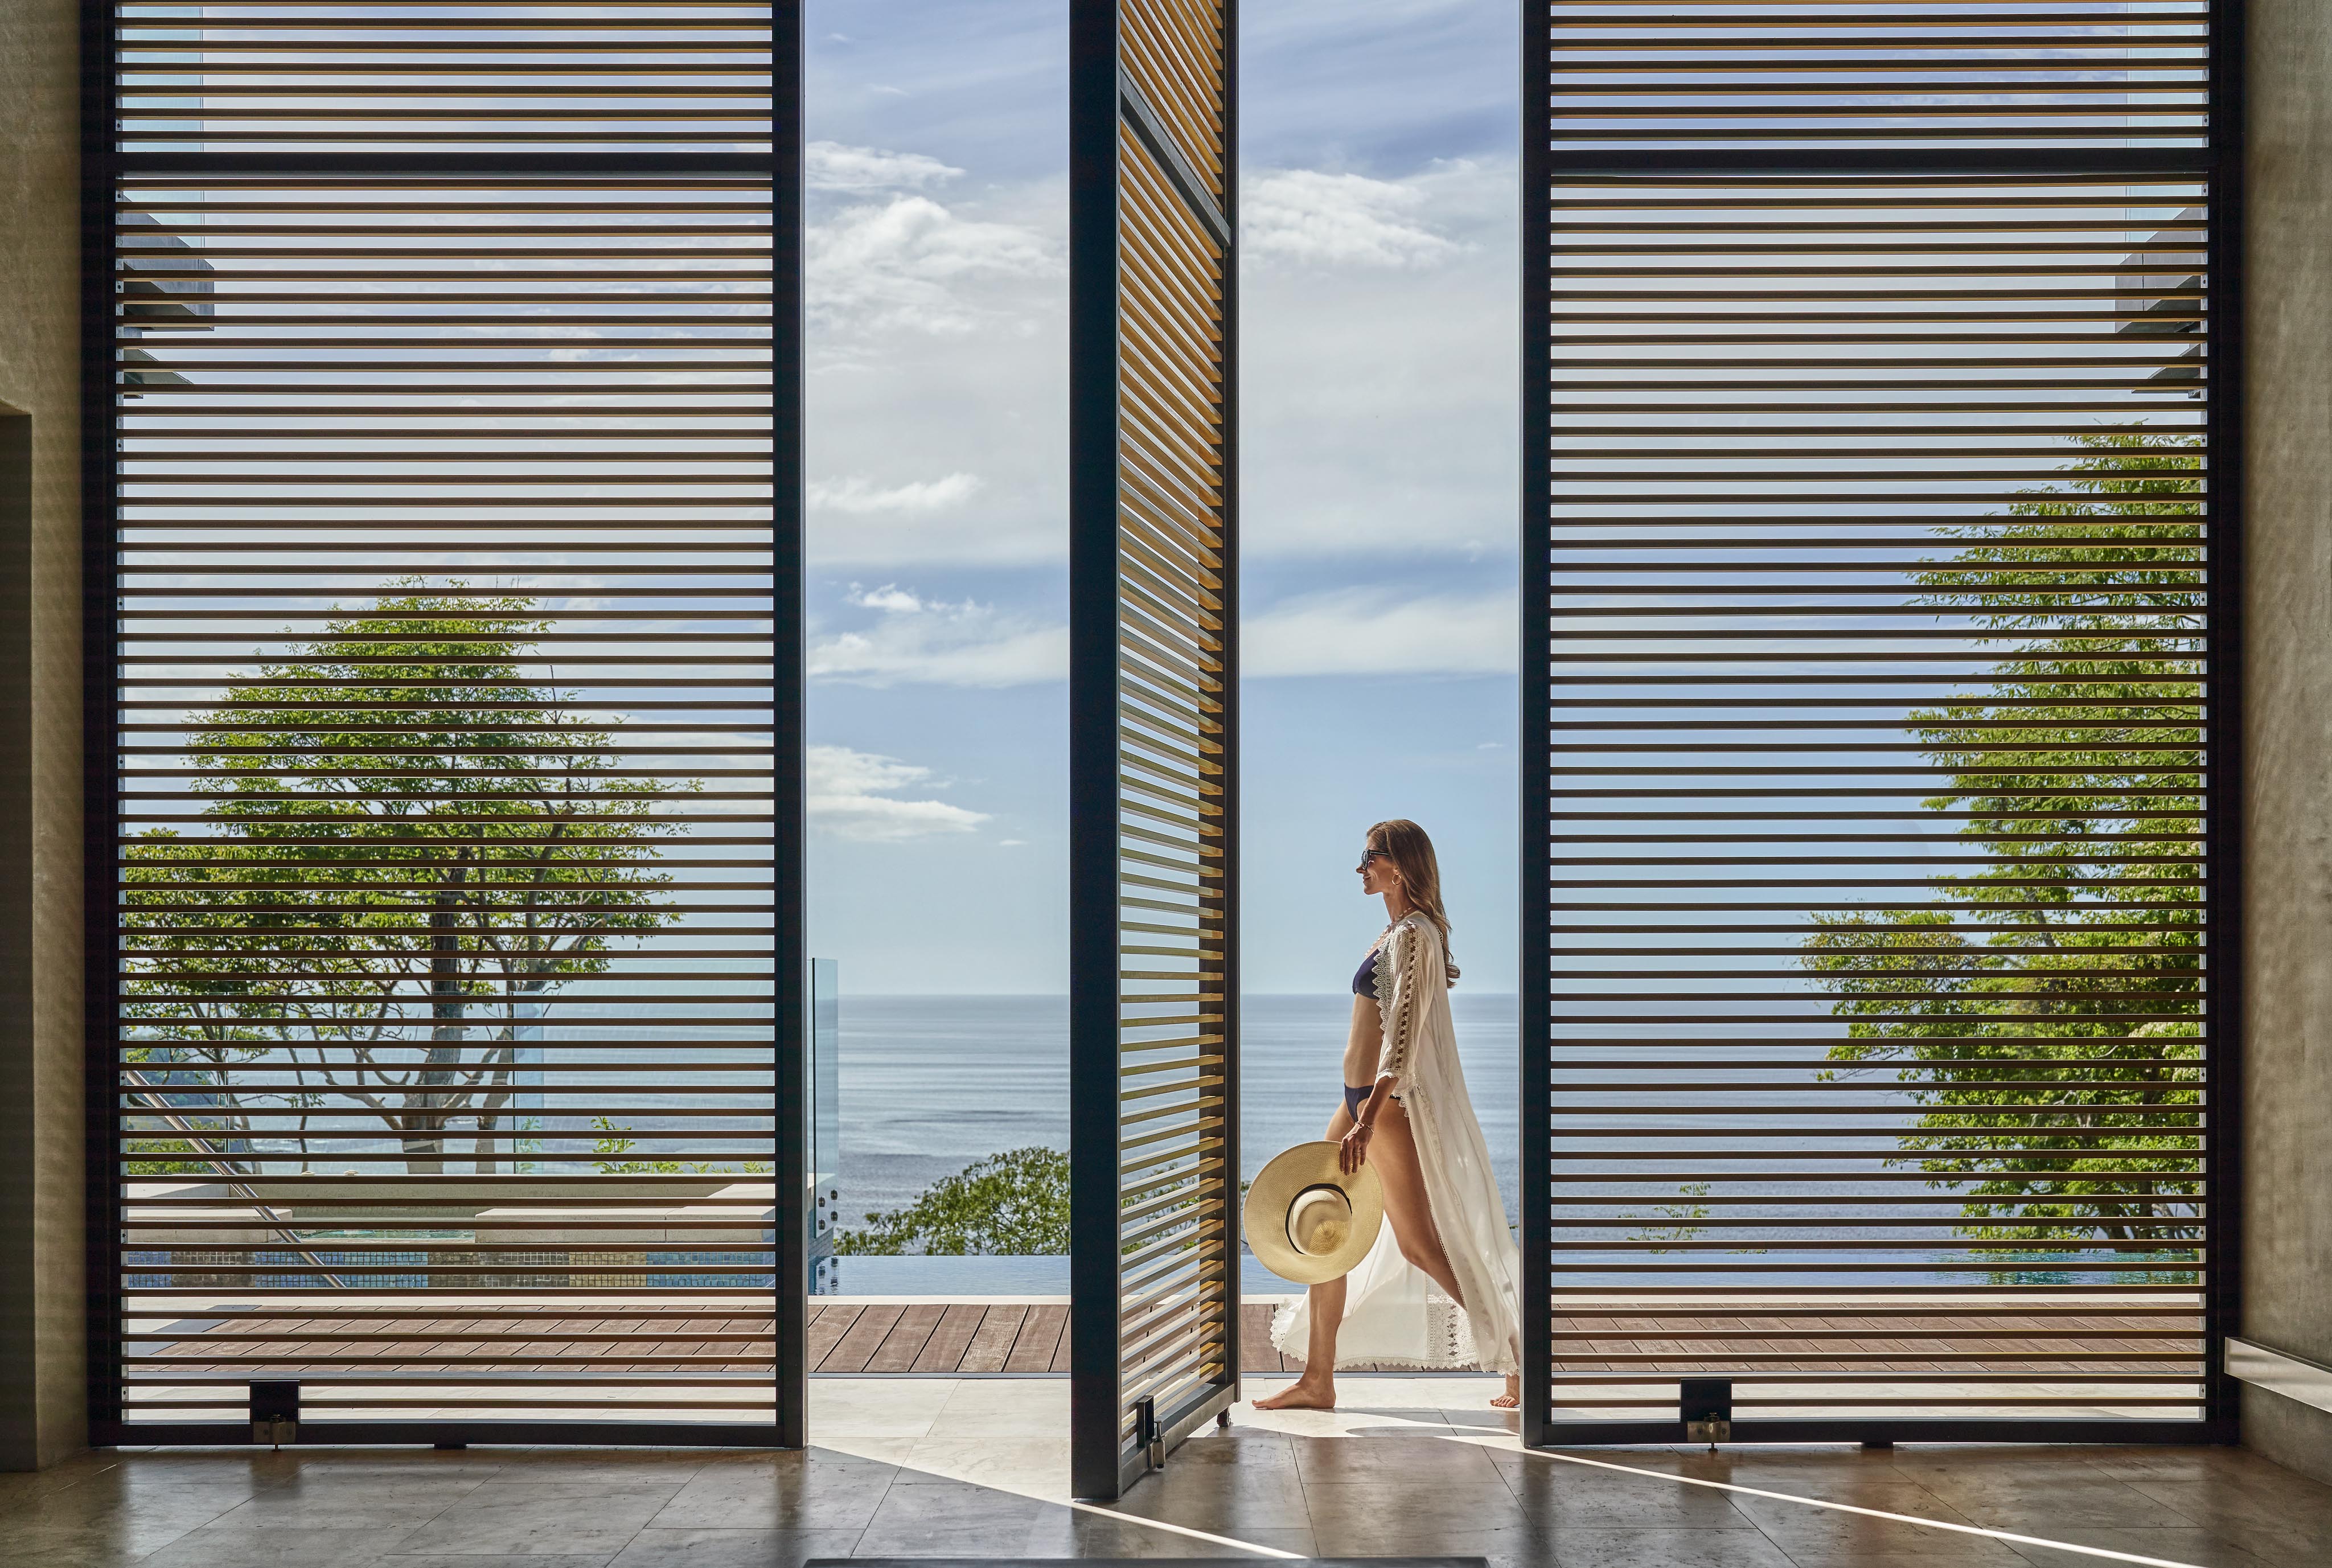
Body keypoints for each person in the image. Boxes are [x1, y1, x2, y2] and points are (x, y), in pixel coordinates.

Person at [1253, 819, 1525, 1411]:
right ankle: (1317, 1380)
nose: (1360, 869)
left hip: (1385, 1108)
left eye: (1368, 857)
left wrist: (1369, 1116)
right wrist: (1357, 1108)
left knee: (1421, 1245)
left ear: (1397, 864)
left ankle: (1518, 1358)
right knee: (1325, 1234)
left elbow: (1400, 1041)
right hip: (1357, 1102)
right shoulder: (1391, 932)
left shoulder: (1413, 936)